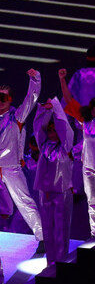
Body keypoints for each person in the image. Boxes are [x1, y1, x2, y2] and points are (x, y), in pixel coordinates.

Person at [60, 68, 95, 236]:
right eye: (92, 106)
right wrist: (62, 79)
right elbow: (69, 101)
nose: (94, 108)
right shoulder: (85, 122)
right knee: (92, 202)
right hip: (88, 167)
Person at [0, 69, 44, 252]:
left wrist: (35, 79)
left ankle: (42, 238)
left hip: (10, 167)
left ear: (10, 100)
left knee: (25, 202)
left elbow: (31, 99)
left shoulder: (16, 116)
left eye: (3, 98)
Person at [33, 99, 73, 265]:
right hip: (45, 192)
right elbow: (38, 127)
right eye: (50, 131)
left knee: (61, 228)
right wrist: (45, 110)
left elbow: (66, 129)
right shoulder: (43, 145)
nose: (52, 134)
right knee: (48, 228)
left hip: (62, 192)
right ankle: (50, 262)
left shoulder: (65, 147)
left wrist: (56, 107)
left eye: (55, 131)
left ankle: (61, 262)